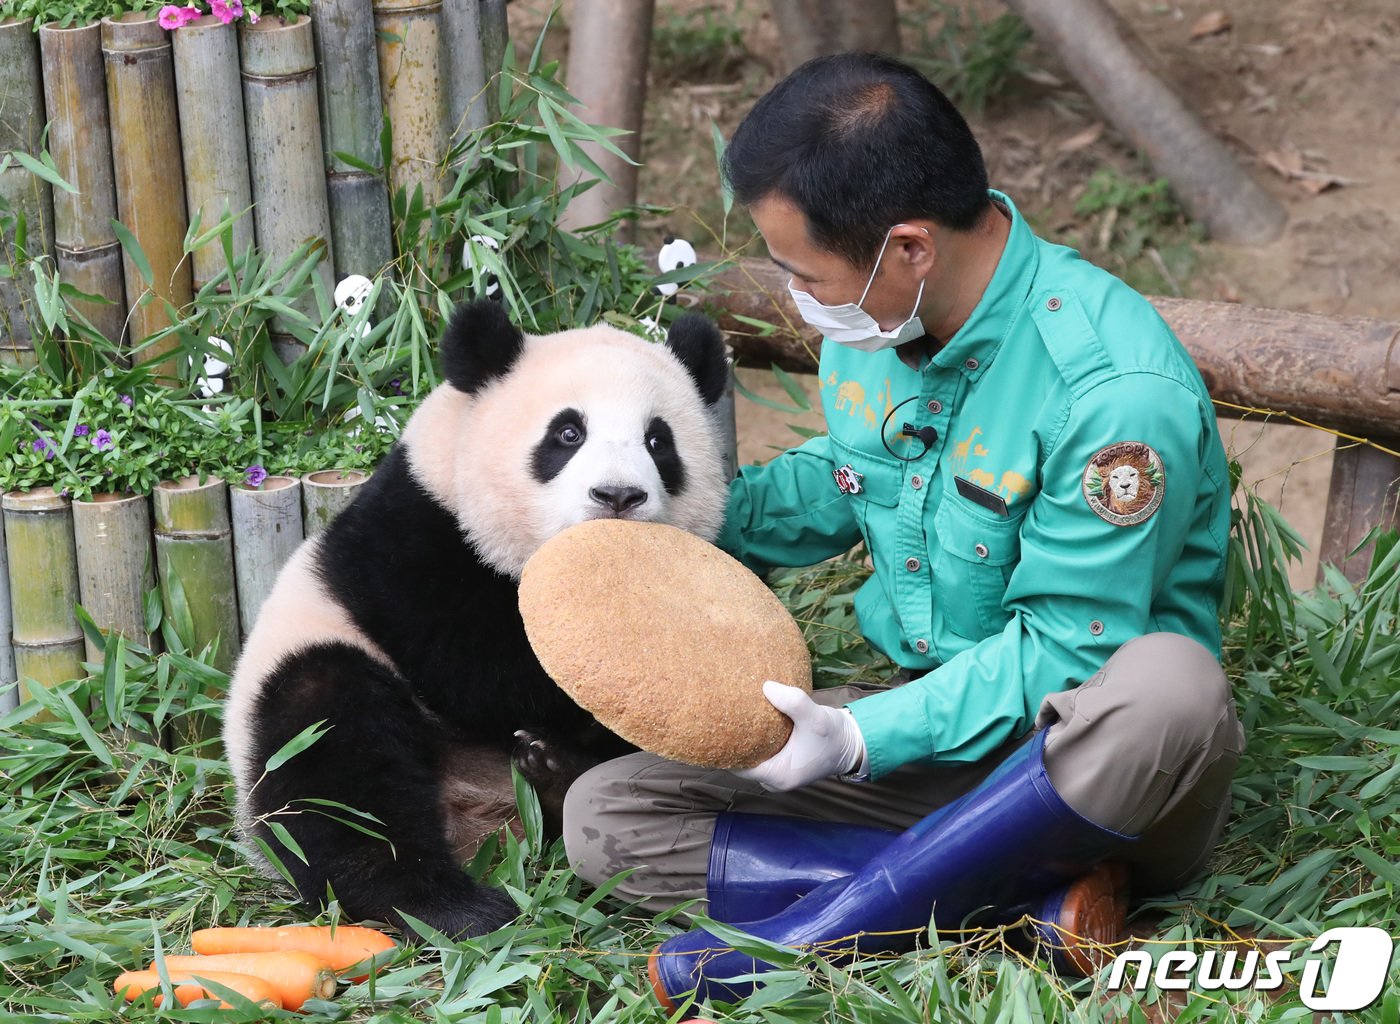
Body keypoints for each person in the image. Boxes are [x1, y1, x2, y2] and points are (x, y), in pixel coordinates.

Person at [562, 52, 1244, 1009]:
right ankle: (1035, 906)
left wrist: (852, 737)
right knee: (606, 816)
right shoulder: (882, 327)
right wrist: (673, 512)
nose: (800, 296)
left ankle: (802, 939)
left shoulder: (1112, 392)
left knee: (1173, 686)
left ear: (910, 248)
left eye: (807, 273)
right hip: (933, 734)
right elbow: (846, 482)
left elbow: (1062, 658)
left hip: (1083, 766)